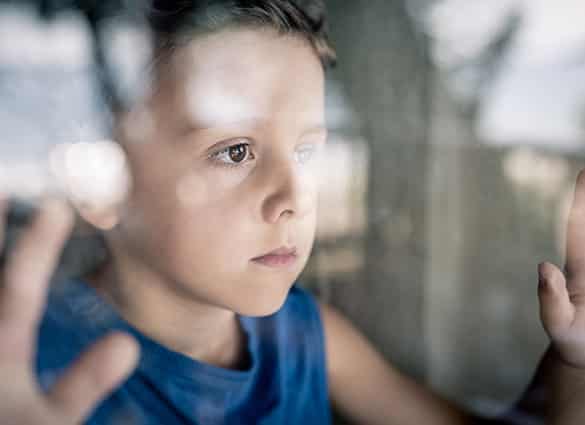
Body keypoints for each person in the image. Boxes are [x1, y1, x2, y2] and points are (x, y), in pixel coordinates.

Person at [1, 1, 585, 424]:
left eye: (306, 150)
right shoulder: (30, 378)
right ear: (106, 180)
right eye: (235, 151)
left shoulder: (303, 334)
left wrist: (573, 365)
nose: (295, 197)